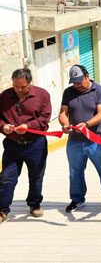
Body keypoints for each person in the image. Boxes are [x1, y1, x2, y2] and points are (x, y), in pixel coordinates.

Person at [59, 65, 101, 212]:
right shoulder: (68, 92)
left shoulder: (100, 91)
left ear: (87, 76)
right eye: (74, 82)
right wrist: (65, 124)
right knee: (75, 171)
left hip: (96, 140)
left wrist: (86, 125)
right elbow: (62, 113)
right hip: (74, 141)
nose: (77, 85)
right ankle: (77, 199)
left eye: (80, 81)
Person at [0, 68, 51, 222]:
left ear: (30, 83)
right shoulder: (4, 96)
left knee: (36, 176)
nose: (19, 90)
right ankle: (2, 210)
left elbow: (45, 119)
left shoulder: (42, 95)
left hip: (36, 144)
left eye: (23, 87)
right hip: (12, 144)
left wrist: (29, 127)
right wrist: (3, 127)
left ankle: (34, 204)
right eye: (16, 86)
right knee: (6, 178)